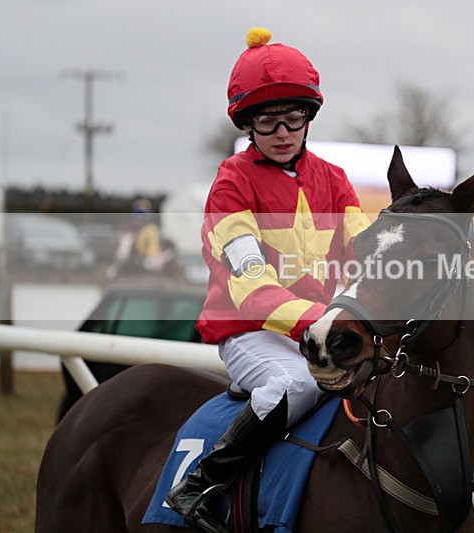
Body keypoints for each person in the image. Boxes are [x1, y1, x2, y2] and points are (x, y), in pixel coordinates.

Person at [164, 27, 369, 533]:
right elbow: (250, 284)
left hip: (320, 330)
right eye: (267, 121)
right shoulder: (232, 182)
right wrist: (320, 324)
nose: (282, 132)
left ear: (309, 118)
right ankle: (200, 485)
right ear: (248, 124)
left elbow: (364, 258)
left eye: (293, 118)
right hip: (251, 332)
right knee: (300, 381)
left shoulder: (335, 179)